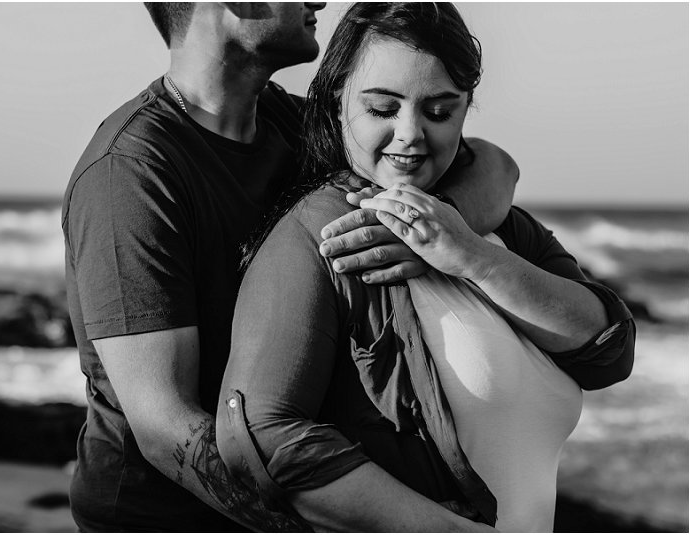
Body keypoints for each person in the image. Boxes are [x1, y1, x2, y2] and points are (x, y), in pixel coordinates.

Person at [62, 2, 520, 531]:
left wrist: (432, 234)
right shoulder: (130, 174)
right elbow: (166, 431)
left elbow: (493, 166)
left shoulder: (290, 124)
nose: (321, 1)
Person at [217, 2, 635, 532]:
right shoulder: (324, 236)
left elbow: (609, 351)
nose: (412, 134)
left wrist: (472, 258)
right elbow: (258, 434)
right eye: (382, 109)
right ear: (335, 102)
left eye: (440, 111)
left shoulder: (496, 223)